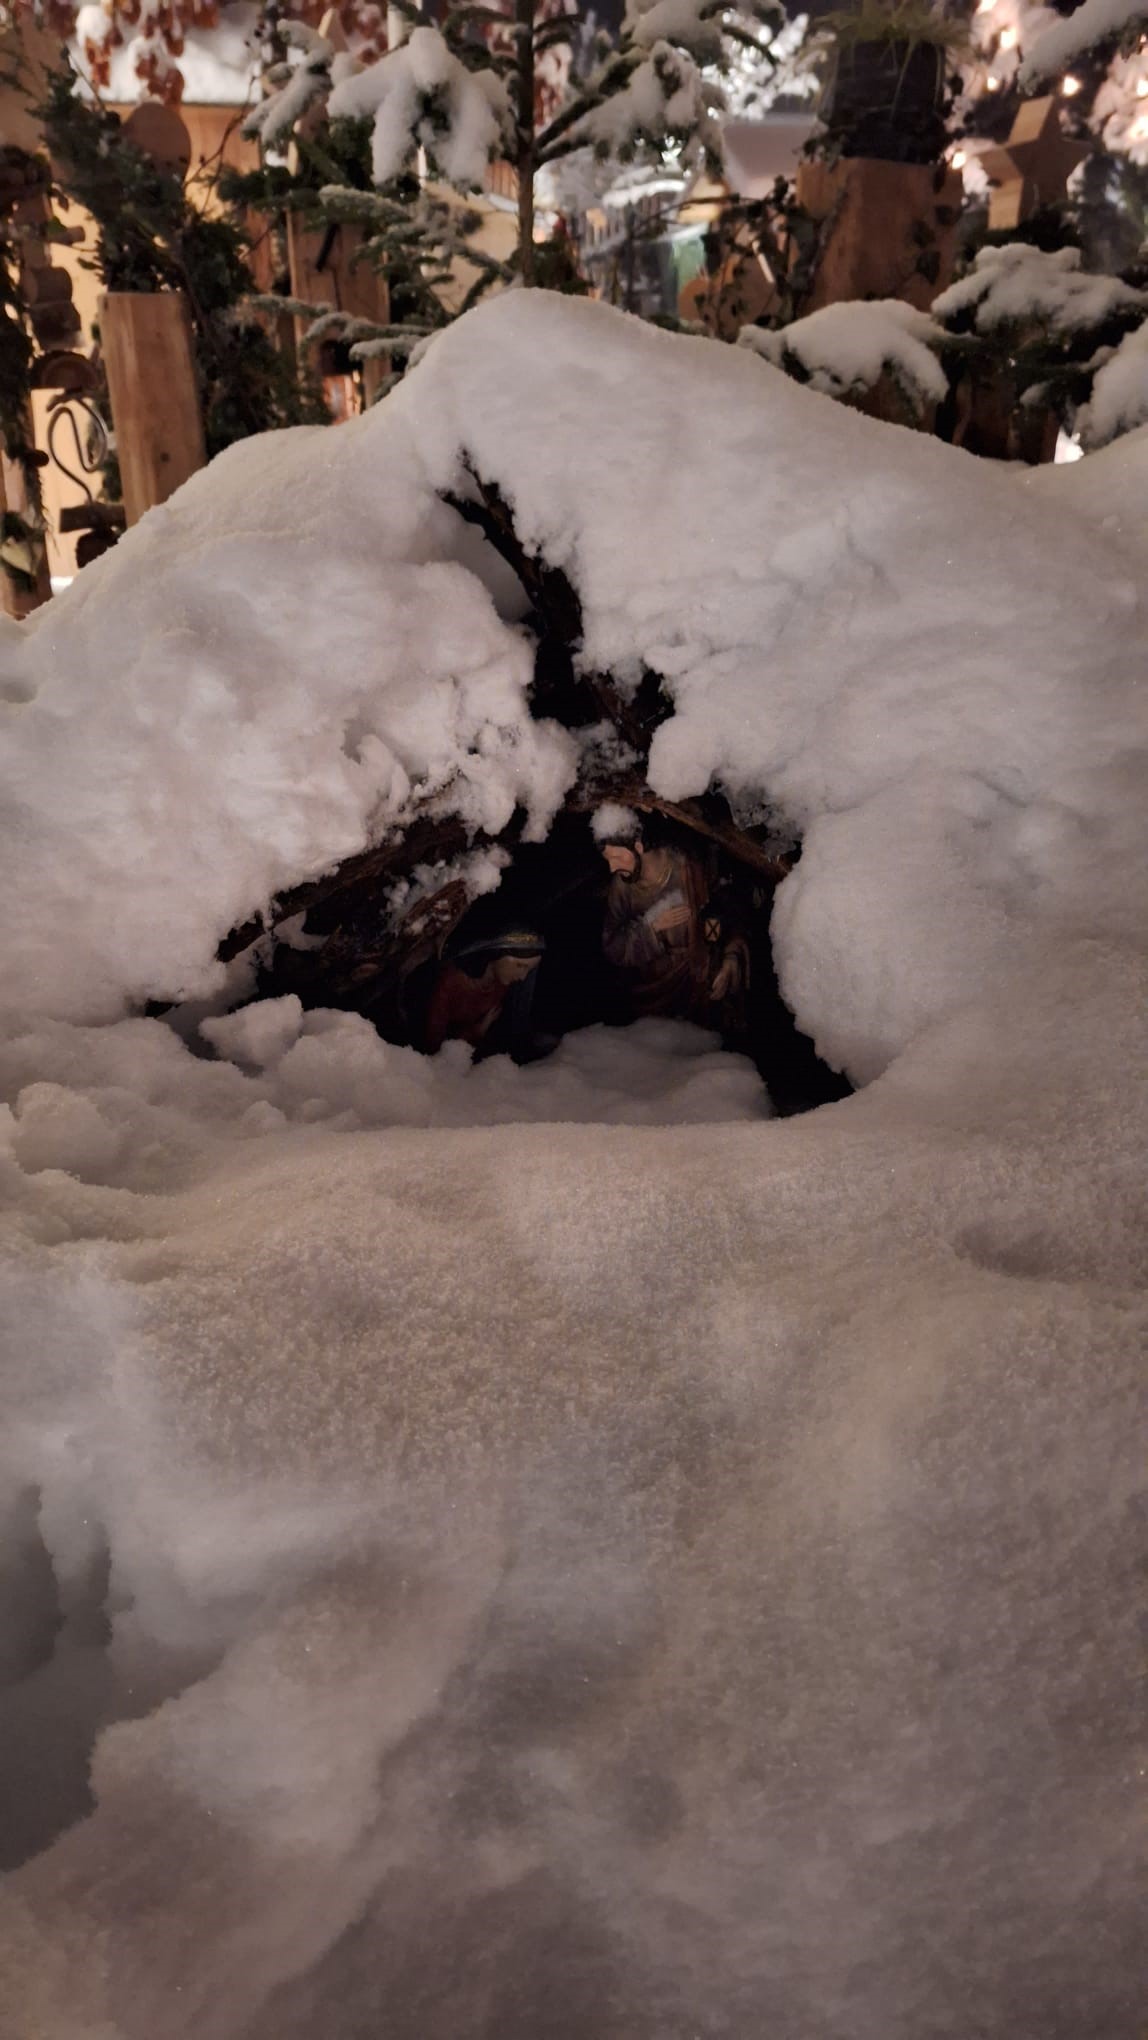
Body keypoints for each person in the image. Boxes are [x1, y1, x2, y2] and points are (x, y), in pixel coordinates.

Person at [593, 807, 749, 1028]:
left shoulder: (689, 867)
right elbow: (612, 945)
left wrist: (730, 956)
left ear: (638, 846)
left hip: (700, 983)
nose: (612, 867)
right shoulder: (622, 887)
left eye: (617, 857)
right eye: (608, 860)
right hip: (650, 993)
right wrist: (652, 928)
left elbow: (729, 912)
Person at [423, 926, 546, 1061]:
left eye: (528, 969)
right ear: (497, 954)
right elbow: (433, 1045)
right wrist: (476, 1032)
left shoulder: (502, 984)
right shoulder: (451, 982)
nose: (522, 977)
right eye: (519, 965)